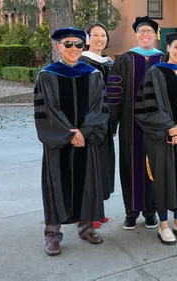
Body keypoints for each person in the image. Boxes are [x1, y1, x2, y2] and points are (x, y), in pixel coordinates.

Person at [34, 28, 108, 256]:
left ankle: (85, 228)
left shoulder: (93, 75)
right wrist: (70, 133)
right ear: (59, 47)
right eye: (68, 44)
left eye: (78, 44)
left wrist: (84, 133)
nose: (74, 49)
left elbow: (100, 108)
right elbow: (47, 110)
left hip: (85, 140)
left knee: (87, 184)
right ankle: (53, 235)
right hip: (60, 142)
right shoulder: (47, 75)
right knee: (56, 184)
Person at [134, 32, 177, 245]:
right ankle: (163, 224)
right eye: (176, 47)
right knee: (163, 178)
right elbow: (146, 106)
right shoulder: (154, 73)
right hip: (160, 138)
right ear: (168, 48)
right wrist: (169, 128)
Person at [108, 16, 164, 230]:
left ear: (155, 35)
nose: (146, 35)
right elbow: (114, 93)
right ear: (136, 35)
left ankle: (151, 211)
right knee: (130, 164)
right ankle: (131, 211)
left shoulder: (164, 58)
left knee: (155, 165)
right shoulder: (125, 59)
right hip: (130, 124)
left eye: (149, 31)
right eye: (142, 31)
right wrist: (113, 123)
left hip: (157, 125)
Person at [80, 22, 115, 228]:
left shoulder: (109, 63)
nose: (100, 39)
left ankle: (98, 209)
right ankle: (88, 214)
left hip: (106, 124)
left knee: (102, 167)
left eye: (103, 35)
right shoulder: (83, 63)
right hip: (90, 124)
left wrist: (113, 126)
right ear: (87, 38)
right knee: (89, 168)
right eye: (95, 35)